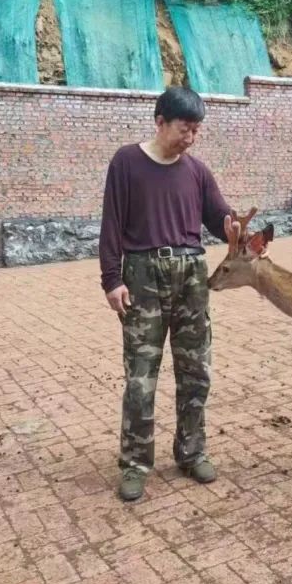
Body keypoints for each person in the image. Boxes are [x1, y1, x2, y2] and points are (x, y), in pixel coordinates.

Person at [98, 86, 231, 502]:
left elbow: (218, 217)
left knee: (196, 371)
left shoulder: (197, 171)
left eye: (196, 131)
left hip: (192, 274)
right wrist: (111, 279)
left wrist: (235, 227)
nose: (190, 138)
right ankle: (135, 463)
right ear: (160, 121)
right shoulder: (127, 162)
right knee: (141, 375)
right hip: (142, 275)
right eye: (184, 129)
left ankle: (191, 452)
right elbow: (111, 224)